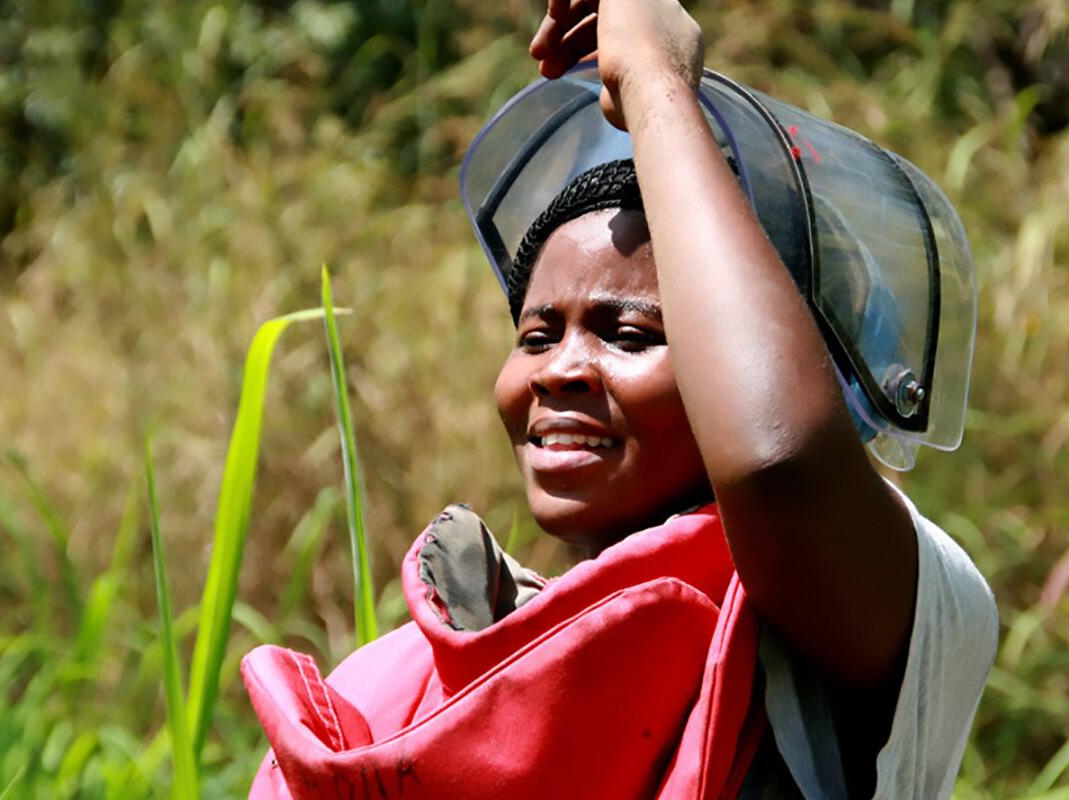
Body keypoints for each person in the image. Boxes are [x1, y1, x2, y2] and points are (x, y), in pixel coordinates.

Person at [241, 1, 998, 797]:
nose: (559, 370)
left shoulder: (910, 605)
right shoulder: (417, 680)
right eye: (536, 336)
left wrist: (655, 82)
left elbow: (777, 460)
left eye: (631, 336)